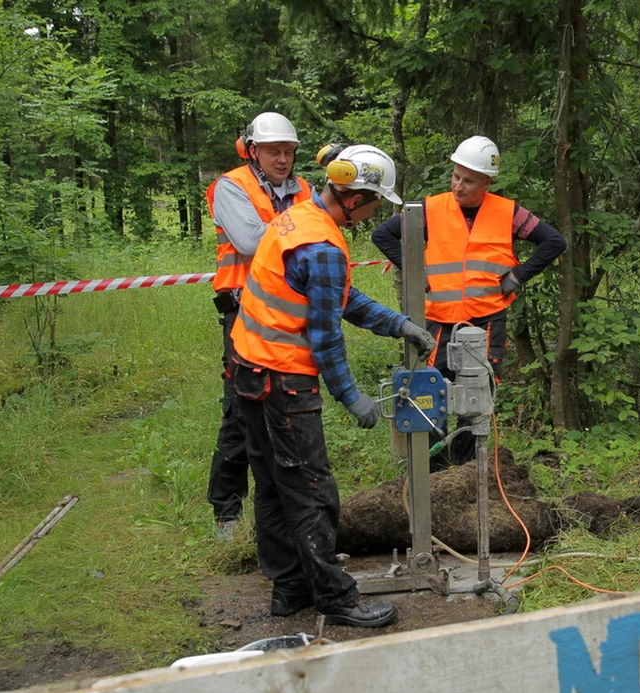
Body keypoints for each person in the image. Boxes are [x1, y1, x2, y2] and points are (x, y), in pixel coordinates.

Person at [229, 144, 437, 628]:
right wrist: (351, 396)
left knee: (275, 488)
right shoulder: (323, 246)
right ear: (355, 198)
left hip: (248, 367)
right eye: (371, 206)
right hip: (282, 382)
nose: (368, 218)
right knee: (312, 491)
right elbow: (325, 337)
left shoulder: (299, 216)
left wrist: (396, 323)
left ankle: (291, 588)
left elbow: (338, 295)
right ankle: (337, 599)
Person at [370, 135, 566, 466]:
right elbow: (383, 235)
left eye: (469, 180)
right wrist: (418, 273)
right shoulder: (430, 209)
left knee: (475, 400)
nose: (459, 185)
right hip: (437, 323)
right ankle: (433, 474)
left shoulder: (508, 213)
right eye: (456, 176)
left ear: (487, 182)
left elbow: (553, 241)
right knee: (429, 395)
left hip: (486, 322)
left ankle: (466, 475)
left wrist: (516, 278)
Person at [205, 112, 313, 540]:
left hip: (290, 313)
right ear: (253, 151)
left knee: (289, 406)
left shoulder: (303, 188)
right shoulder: (231, 186)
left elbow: (318, 236)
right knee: (240, 408)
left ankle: (286, 503)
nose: (282, 159)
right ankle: (226, 512)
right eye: (273, 151)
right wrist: (297, 229)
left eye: (288, 152)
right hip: (243, 313)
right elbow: (250, 242)